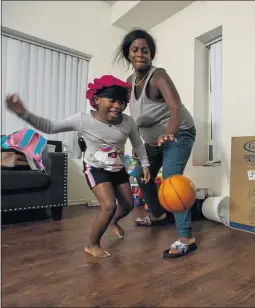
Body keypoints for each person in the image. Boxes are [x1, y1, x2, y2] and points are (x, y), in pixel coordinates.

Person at [4, 75, 151, 258]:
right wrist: (23, 113)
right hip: (95, 169)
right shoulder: (82, 120)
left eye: (122, 102)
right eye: (112, 100)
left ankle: (112, 222)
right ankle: (92, 244)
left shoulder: (127, 122)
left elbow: (137, 144)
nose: (117, 106)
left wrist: (145, 165)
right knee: (108, 205)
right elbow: (50, 127)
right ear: (97, 100)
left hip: (118, 168)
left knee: (128, 205)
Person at [114, 29, 197, 258]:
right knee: (141, 173)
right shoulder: (129, 83)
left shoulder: (158, 75)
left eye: (145, 50)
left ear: (151, 54)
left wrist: (169, 133)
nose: (140, 53)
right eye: (135, 50)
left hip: (179, 133)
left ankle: (186, 237)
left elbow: (175, 108)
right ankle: (158, 215)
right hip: (152, 142)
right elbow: (133, 117)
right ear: (127, 54)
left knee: (171, 179)